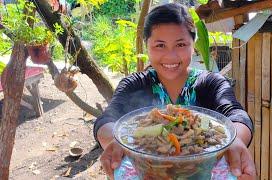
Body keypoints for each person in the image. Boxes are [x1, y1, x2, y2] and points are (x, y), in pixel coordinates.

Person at [94, 3, 256, 180]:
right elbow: (106, 120)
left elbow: (237, 115)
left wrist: (236, 140)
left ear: (193, 45)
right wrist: (115, 141)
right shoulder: (134, 84)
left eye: (180, 44)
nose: (170, 56)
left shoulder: (210, 83)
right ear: (146, 45)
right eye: (160, 45)